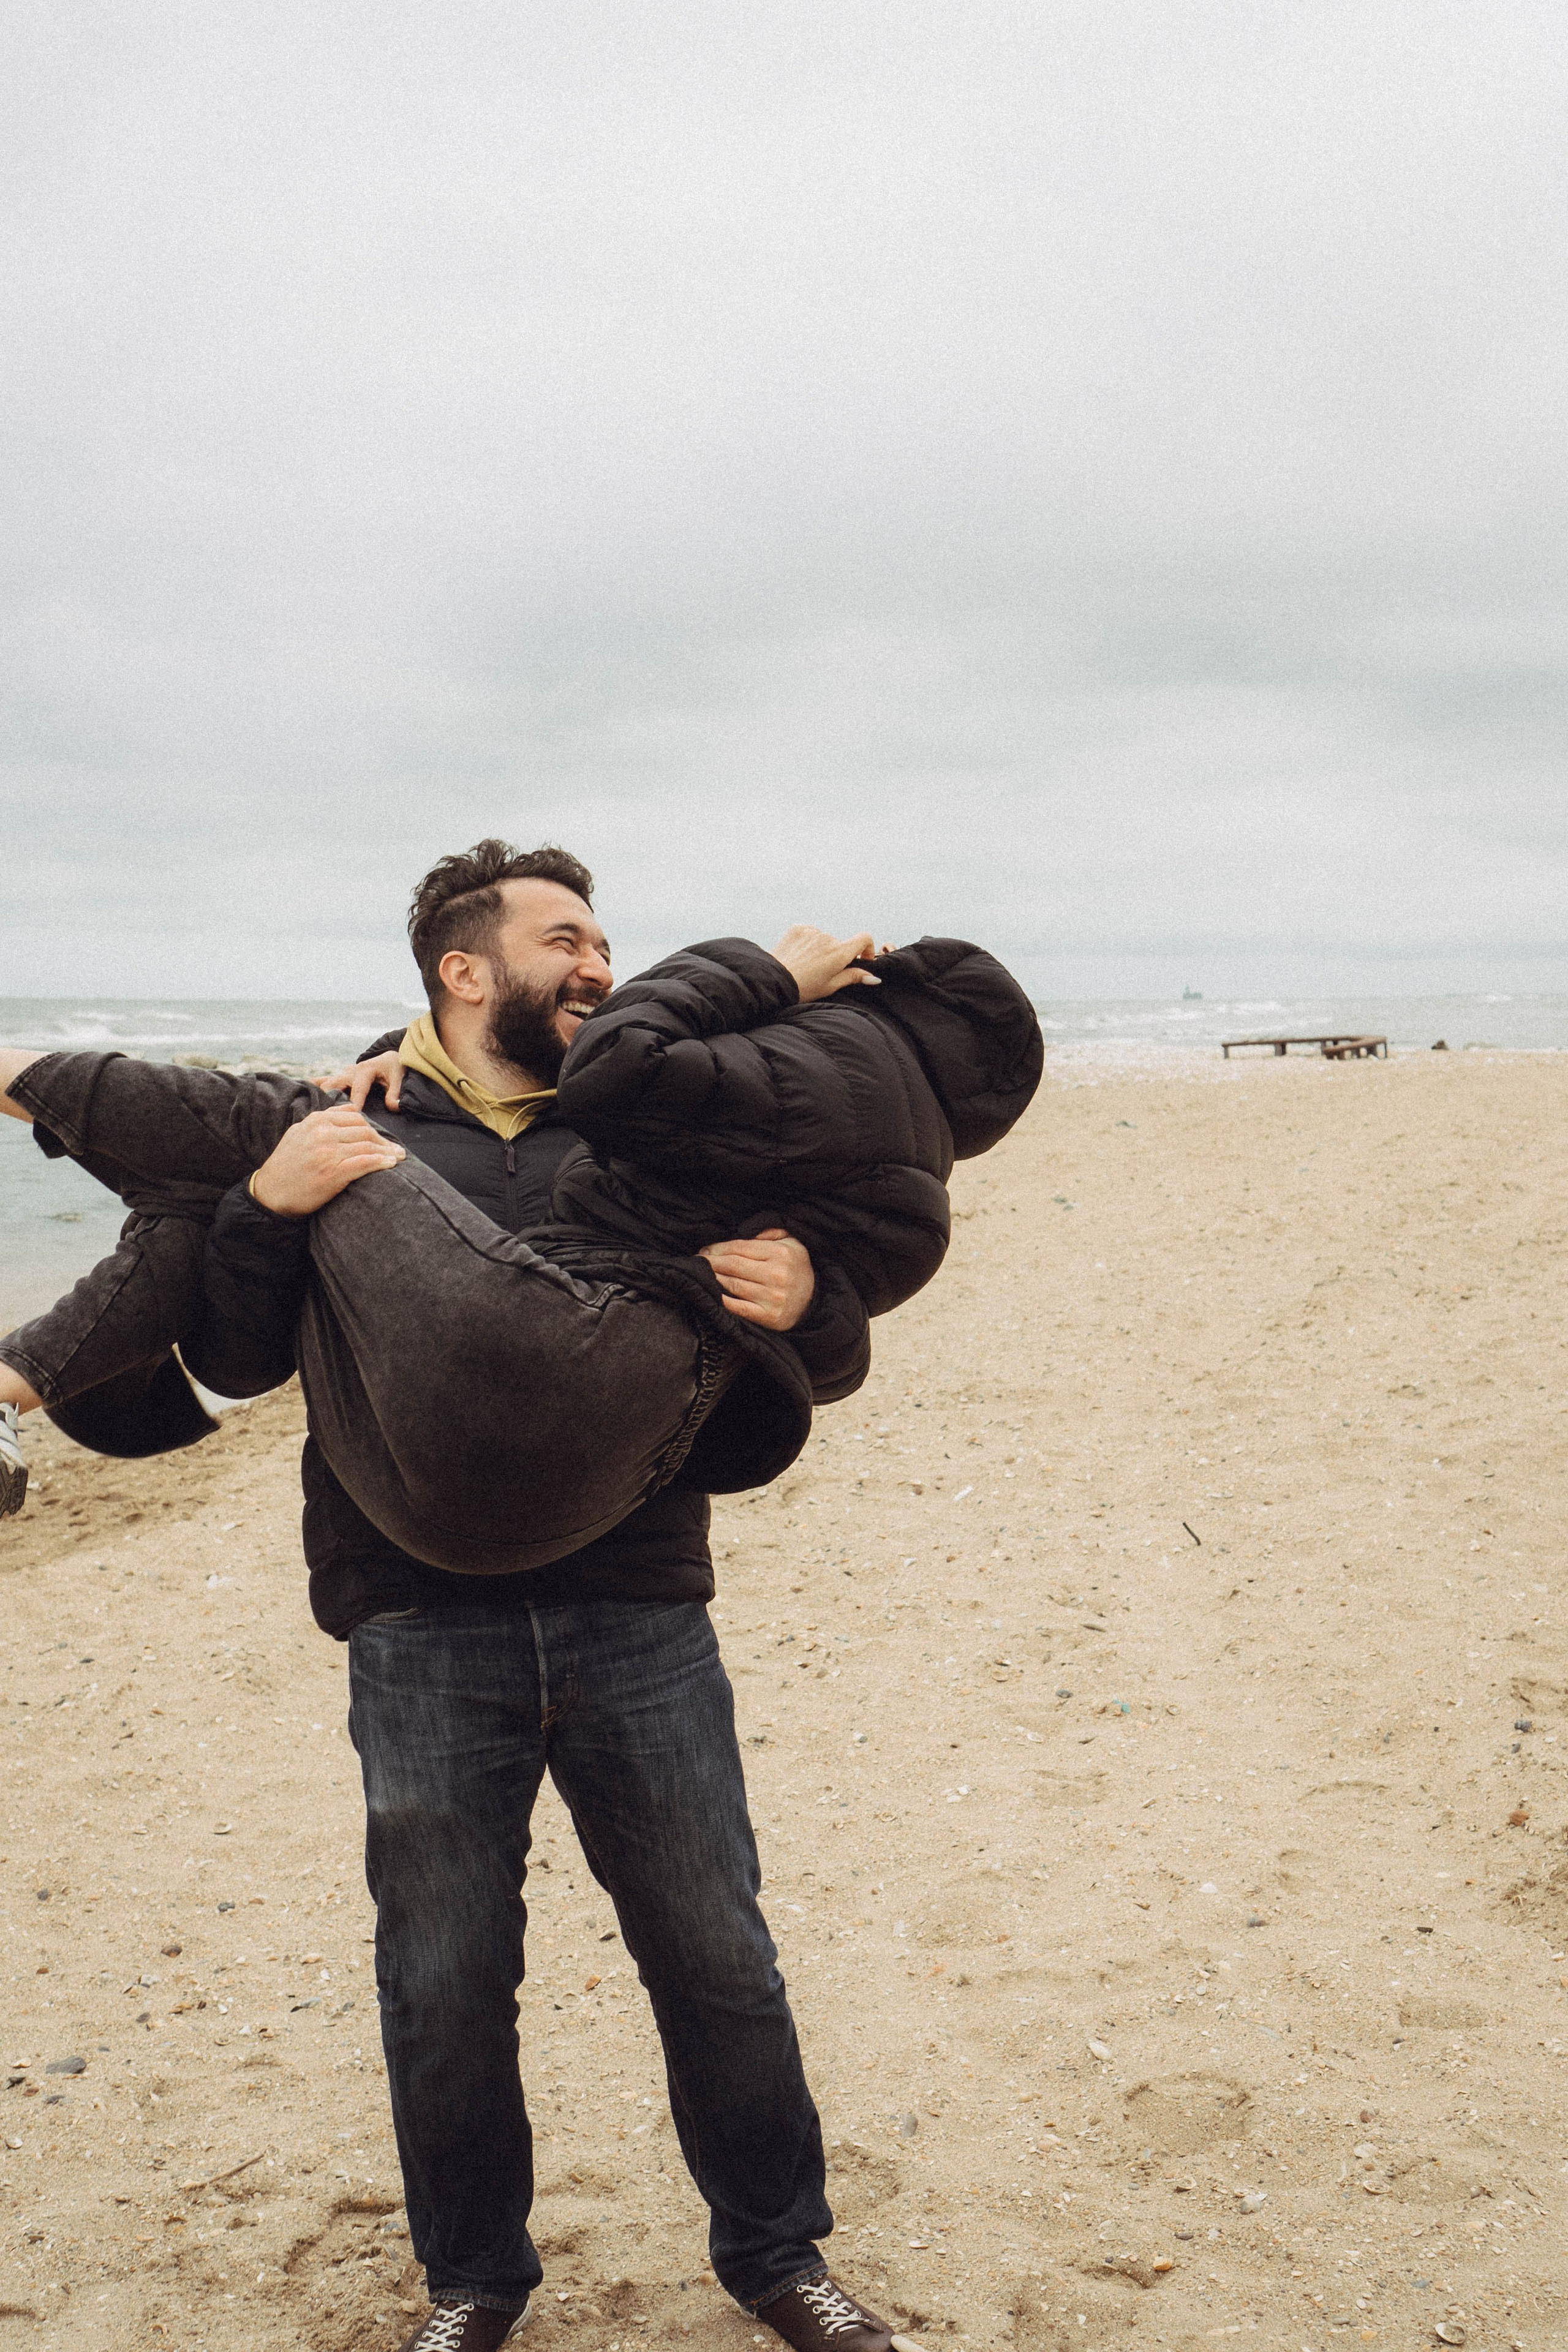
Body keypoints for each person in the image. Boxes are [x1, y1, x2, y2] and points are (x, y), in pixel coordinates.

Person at [0, 840, 1042, 2352]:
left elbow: (811, 1347)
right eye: (565, 939)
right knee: (443, 1979)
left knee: (715, 1955)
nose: (599, 963)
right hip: (416, 1616)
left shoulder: (666, 1121)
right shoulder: (348, 1122)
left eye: (605, 941)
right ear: (463, 969)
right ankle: (474, 2282)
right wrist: (268, 1207)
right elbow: (236, 1355)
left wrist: (816, 1301)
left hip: (639, 1601)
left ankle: (776, 2255)